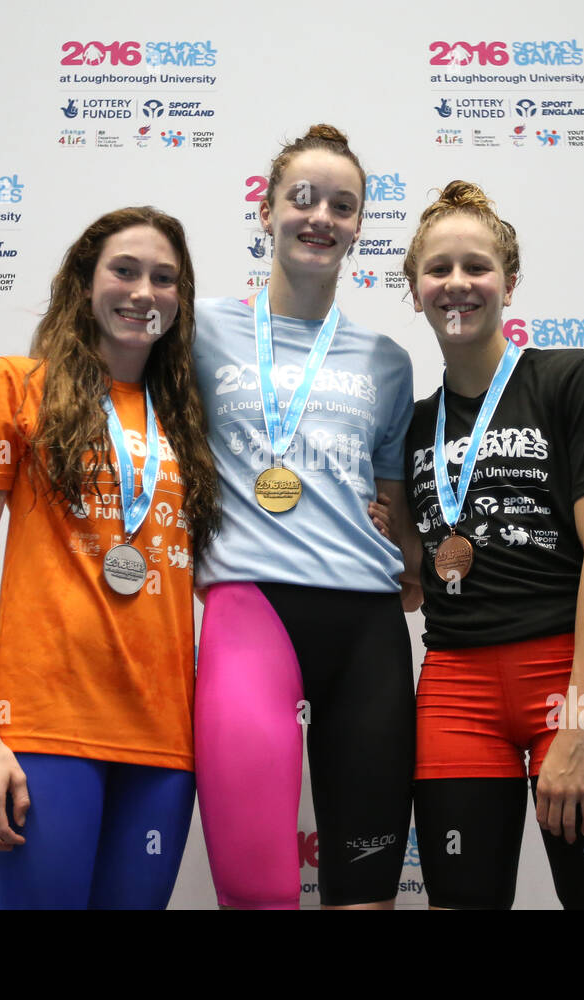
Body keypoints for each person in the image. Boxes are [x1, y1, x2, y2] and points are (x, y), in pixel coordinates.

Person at [0, 207, 220, 908]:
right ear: (84, 282)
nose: (143, 292)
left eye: (165, 279)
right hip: (44, 727)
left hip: (163, 742)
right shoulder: (13, 387)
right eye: (124, 271)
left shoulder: (189, 423)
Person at [398, 180, 584, 909]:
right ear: (414, 290)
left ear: (509, 280)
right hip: (454, 693)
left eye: (475, 266)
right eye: (438, 269)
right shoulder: (413, 424)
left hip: (571, 678)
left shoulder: (570, 379)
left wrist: (578, 727)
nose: (457, 284)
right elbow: (416, 580)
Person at [192, 124, 420, 910]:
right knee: (258, 894)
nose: (321, 216)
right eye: (303, 198)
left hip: (369, 630)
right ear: (266, 210)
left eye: (343, 205)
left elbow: (388, 500)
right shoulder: (198, 329)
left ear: (359, 226)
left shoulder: (387, 361)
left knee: (365, 897)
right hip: (250, 614)